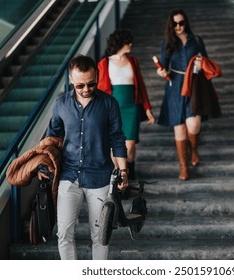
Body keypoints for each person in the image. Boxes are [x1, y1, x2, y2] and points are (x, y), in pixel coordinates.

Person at [45, 54, 128, 260]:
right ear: (71, 79)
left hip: (100, 176)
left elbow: (117, 138)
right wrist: (43, 164)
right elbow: (52, 136)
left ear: (97, 76)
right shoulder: (60, 104)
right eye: (80, 85)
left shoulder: (109, 103)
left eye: (91, 84)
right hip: (68, 175)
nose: (85, 89)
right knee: (64, 233)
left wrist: (124, 170)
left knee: (100, 235)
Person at [156, 9, 208, 181]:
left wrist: (202, 65)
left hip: (194, 84)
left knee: (193, 125)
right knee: (179, 127)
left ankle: (193, 148)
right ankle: (184, 167)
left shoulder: (197, 40)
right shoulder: (167, 42)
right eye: (175, 24)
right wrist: (161, 72)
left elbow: (206, 60)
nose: (178, 27)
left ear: (186, 23)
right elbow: (162, 65)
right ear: (171, 25)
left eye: (181, 23)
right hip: (176, 85)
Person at [98, 29, 155, 180]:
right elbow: (100, 90)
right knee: (114, 147)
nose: (131, 44)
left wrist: (147, 108)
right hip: (112, 110)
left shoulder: (133, 61)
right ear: (120, 43)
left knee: (129, 147)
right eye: (128, 41)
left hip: (132, 108)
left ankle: (129, 172)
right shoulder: (104, 63)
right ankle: (119, 180)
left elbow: (141, 86)